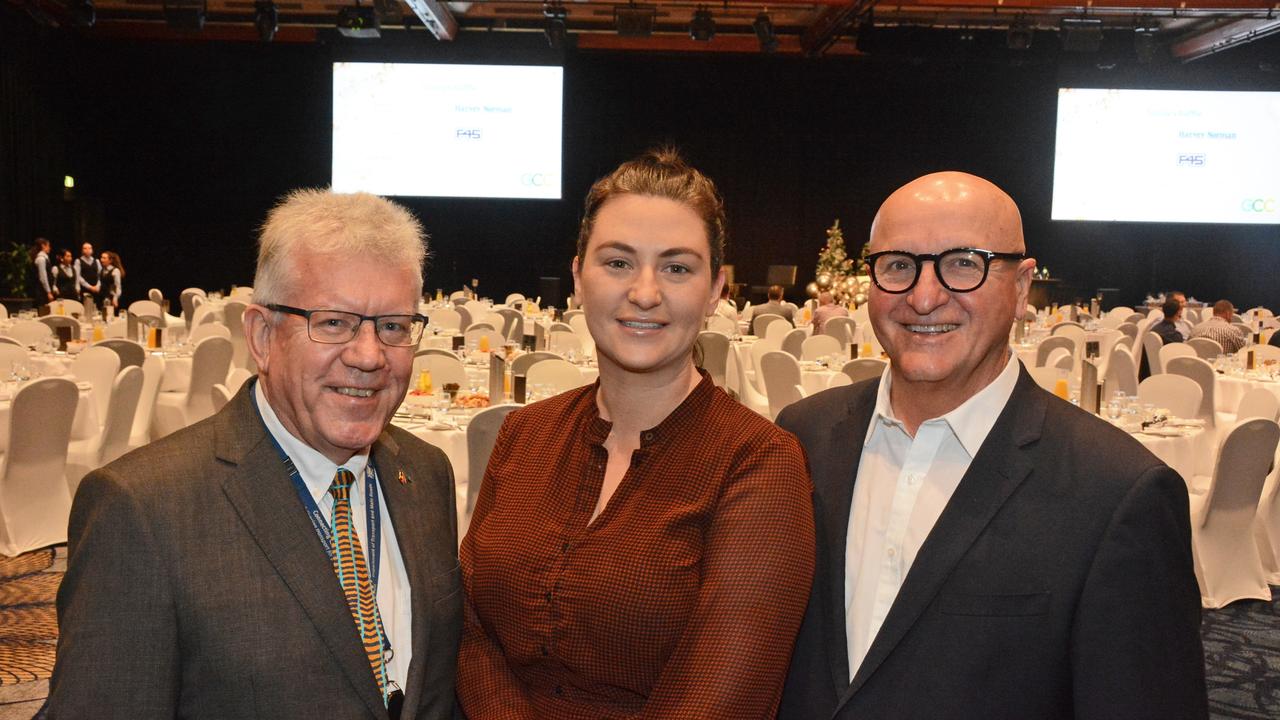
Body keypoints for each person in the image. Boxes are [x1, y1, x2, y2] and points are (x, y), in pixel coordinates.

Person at [777, 172, 1206, 720]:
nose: (925, 296)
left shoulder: (1118, 494)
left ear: (1023, 286)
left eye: (963, 263)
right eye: (899, 265)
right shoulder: (802, 435)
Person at [48, 190, 462, 719]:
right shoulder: (142, 510)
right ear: (262, 336)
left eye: (393, 326)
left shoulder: (427, 473)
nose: (369, 356)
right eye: (333, 322)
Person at [457, 149, 814, 719]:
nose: (645, 292)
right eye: (618, 262)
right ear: (578, 277)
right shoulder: (523, 434)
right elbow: (471, 629)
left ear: (717, 288)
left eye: (677, 267)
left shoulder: (759, 463)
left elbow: (724, 695)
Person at [27, 237, 53, 304]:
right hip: (41, 291)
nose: (49, 248)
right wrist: (48, 292)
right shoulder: (41, 259)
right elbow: (43, 277)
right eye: (48, 246)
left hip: (44, 290)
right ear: (43, 246)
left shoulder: (45, 258)